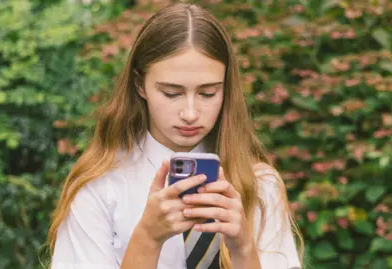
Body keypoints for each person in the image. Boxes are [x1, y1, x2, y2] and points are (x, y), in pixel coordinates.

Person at [47, 3, 303, 269]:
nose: (190, 113)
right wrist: (147, 237)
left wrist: (243, 248)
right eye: (172, 93)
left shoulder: (260, 185)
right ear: (140, 85)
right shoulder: (100, 186)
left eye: (208, 93)